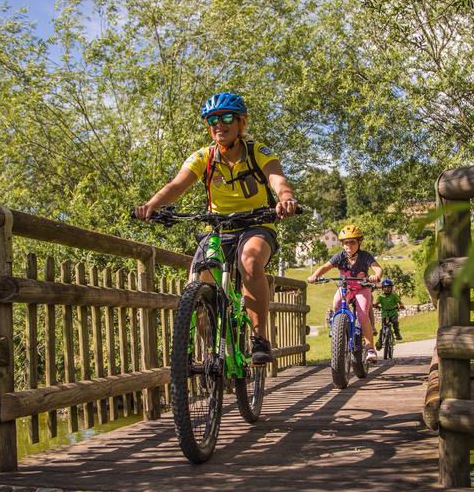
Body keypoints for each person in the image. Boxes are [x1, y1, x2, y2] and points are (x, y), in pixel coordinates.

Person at [134, 92, 299, 365]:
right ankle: (213, 350)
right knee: (197, 282)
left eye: (225, 118)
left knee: (249, 261)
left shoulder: (259, 152)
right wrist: (151, 205)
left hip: (257, 225)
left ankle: (260, 338)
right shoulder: (204, 157)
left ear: (241, 123)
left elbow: (277, 179)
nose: (218, 125)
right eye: (212, 120)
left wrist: (286, 199)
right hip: (219, 227)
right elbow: (176, 185)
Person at [307, 224, 383, 361]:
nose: (349, 245)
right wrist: (315, 275)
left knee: (362, 314)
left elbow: (377, 268)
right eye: (345, 242)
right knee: (336, 302)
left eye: (352, 242)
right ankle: (341, 328)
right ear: (342, 244)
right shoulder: (340, 256)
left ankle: (370, 348)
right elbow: (326, 266)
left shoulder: (365, 256)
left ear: (359, 243)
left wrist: (376, 275)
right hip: (345, 288)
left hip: (362, 288)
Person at [374, 278, 405, 348]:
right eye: (385, 287)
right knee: (383, 327)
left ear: (391, 288)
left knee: (395, 323)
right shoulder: (381, 297)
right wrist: (375, 306)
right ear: (382, 288)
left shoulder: (394, 295)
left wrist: (401, 305)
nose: (387, 289)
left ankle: (397, 334)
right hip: (385, 313)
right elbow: (376, 303)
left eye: (388, 287)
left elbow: (400, 302)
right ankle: (380, 340)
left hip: (393, 312)